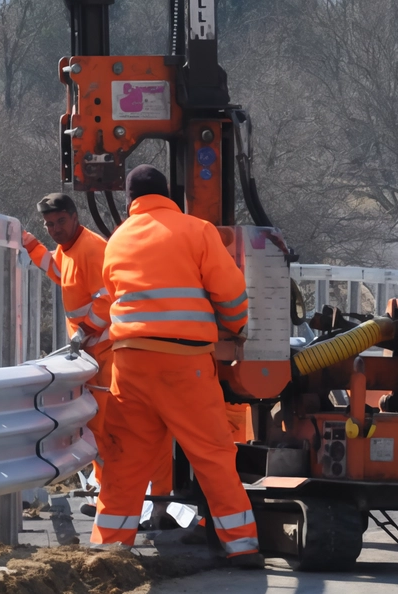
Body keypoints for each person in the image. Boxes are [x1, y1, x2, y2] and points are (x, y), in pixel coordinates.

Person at [92, 164, 261, 568]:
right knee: (212, 454)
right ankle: (242, 547)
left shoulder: (116, 241)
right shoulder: (197, 230)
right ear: (168, 193)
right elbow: (232, 292)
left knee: (125, 460)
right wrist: (238, 329)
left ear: (132, 200)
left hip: (130, 363)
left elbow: (114, 294)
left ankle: (108, 551)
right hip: (186, 364)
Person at [22, 194, 114, 497]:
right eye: (50, 224)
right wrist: (32, 245)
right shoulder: (68, 249)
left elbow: (107, 298)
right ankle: (105, 487)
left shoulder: (92, 248)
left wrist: (85, 330)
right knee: (96, 425)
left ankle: (113, 491)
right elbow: (58, 271)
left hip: (103, 352)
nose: (56, 229)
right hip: (90, 352)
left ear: (75, 217)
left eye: (61, 221)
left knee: (105, 426)